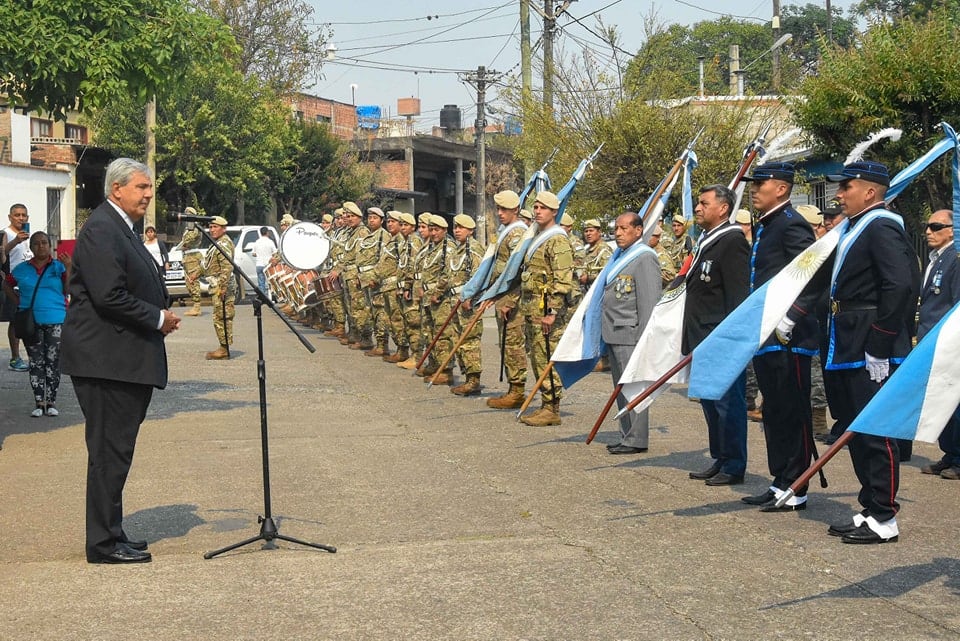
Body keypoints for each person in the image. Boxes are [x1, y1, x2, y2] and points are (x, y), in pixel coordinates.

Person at [61, 158, 181, 564]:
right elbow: (108, 295)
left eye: (149, 188)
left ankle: (112, 531)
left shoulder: (121, 229)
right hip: (105, 361)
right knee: (109, 452)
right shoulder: (101, 229)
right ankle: (103, 544)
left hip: (120, 360)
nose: (149, 195)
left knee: (116, 452)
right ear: (117, 190)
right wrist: (157, 317)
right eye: (141, 188)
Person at [801, 161, 920, 544]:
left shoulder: (882, 224)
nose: (838, 194)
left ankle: (885, 516)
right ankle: (870, 508)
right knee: (852, 428)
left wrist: (881, 342)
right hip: (846, 338)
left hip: (869, 342)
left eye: (846, 187)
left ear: (869, 191)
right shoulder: (855, 226)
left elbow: (900, 285)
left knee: (874, 430)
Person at [739, 162, 818, 512]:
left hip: (790, 337)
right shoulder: (769, 225)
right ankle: (779, 480)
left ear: (782, 188)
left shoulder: (792, 226)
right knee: (774, 411)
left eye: (761, 184)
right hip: (767, 334)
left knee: (793, 412)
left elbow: (812, 276)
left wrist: (791, 318)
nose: (754, 190)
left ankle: (797, 485)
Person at [684, 185, 750, 486]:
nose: (697, 208)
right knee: (710, 400)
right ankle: (720, 456)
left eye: (703, 203)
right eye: (698, 202)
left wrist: (731, 339)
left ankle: (735, 463)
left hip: (720, 337)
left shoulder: (732, 241)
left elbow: (737, 296)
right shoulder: (705, 241)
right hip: (701, 335)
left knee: (728, 402)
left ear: (723, 208)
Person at [602, 212, 661, 454]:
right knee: (621, 388)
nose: (618, 233)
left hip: (632, 333)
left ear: (638, 231)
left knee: (635, 388)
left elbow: (649, 301)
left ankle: (636, 438)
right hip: (616, 332)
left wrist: (646, 339)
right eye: (616, 228)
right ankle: (626, 435)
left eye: (624, 228)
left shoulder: (644, 258)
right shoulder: (621, 257)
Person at [518, 191, 578, 426]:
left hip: (547, 312)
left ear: (554, 212)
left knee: (548, 358)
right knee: (538, 358)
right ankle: (545, 403)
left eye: (543, 208)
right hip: (533, 309)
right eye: (536, 207)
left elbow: (563, 280)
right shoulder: (537, 237)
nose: (538, 211)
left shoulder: (557, 240)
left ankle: (552, 408)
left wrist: (552, 313)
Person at [3, 231, 71, 416]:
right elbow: (6, 284)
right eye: (36, 243)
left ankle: (51, 401)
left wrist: (69, 267)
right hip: (31, 322)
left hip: (56, 320)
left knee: (53, 362)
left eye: (44, 243)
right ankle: (39, 402)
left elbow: (68, 289)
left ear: (50, 246)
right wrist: (17, 300)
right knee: (36, 362)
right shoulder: (21, 269)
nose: (41, 246)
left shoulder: (59, 267)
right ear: (31, 247)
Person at [916, 210, 960, 479]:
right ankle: (949, 452)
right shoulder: (936, 258)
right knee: (940, 401)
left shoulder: (955, 258)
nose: (928, 231)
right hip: (930, 339)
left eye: (936, 226)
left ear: (953, 229)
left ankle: (959, 456)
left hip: (948, 342)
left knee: (954, 403)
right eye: (927, 226)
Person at [486, 190, 531, 409]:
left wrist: (511, 301)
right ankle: (513, 388)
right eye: (498, 209)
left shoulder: (517, 235)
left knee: (513, 344)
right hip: (503, 297)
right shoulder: (507, 232)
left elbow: (520, 272)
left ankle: (517, 390)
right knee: (506, 341)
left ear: (515, 210)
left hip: (513, 300)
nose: (500, 213)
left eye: (504, 209)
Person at [448, 214, 485, 396]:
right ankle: (466, 376)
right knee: (458, 340)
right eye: (455, 228)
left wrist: (471, 298)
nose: (457, 231)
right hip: (456, 300)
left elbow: (479, 277)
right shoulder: (459, 249)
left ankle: (473, 379)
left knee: (469, 341)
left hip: (468, 303)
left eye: (461, 228)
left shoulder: (474, 250)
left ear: (470, 230)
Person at [3, 203, 32, 371]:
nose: (21, 218)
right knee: (15, 321)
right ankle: (15, 358)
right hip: (12, 285)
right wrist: (15, 241)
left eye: (24, 215)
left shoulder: (28, 236)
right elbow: (3, 254)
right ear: (10, 217)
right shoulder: (5, 234)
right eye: (17, 215)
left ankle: (32, 355)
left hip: (28, 285)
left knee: (28, 321)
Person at [201, 216, 235, 360]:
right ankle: (223, 346)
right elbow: (209, 264)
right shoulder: (217, 243)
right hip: (216, 284)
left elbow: (227, 267)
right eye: (211, 227)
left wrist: (222, 287)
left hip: (222, 286)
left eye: (215, 227)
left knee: (223, 317)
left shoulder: (224, 244)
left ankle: (224, 348)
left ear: (223, 228)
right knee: (219, 316)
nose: (212, 230)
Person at [179, 211, 204, 317]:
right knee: (189, 283)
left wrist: (184, 244)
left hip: (192, 256)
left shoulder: (194, 228)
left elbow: (189, 240)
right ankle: (195, 305)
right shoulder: (188, 228)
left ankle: (197, 307)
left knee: (193, 281)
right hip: (187, 256)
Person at [252, 226, 277, 295]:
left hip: (259, 265)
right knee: (271, 282)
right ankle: (272, 296)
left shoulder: (257, 242)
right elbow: (275, 253)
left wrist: (259, 254)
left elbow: (253, 254)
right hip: (268, 265)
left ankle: (262, 297)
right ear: (267, 233)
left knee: (261, 283)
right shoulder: (270, 242)